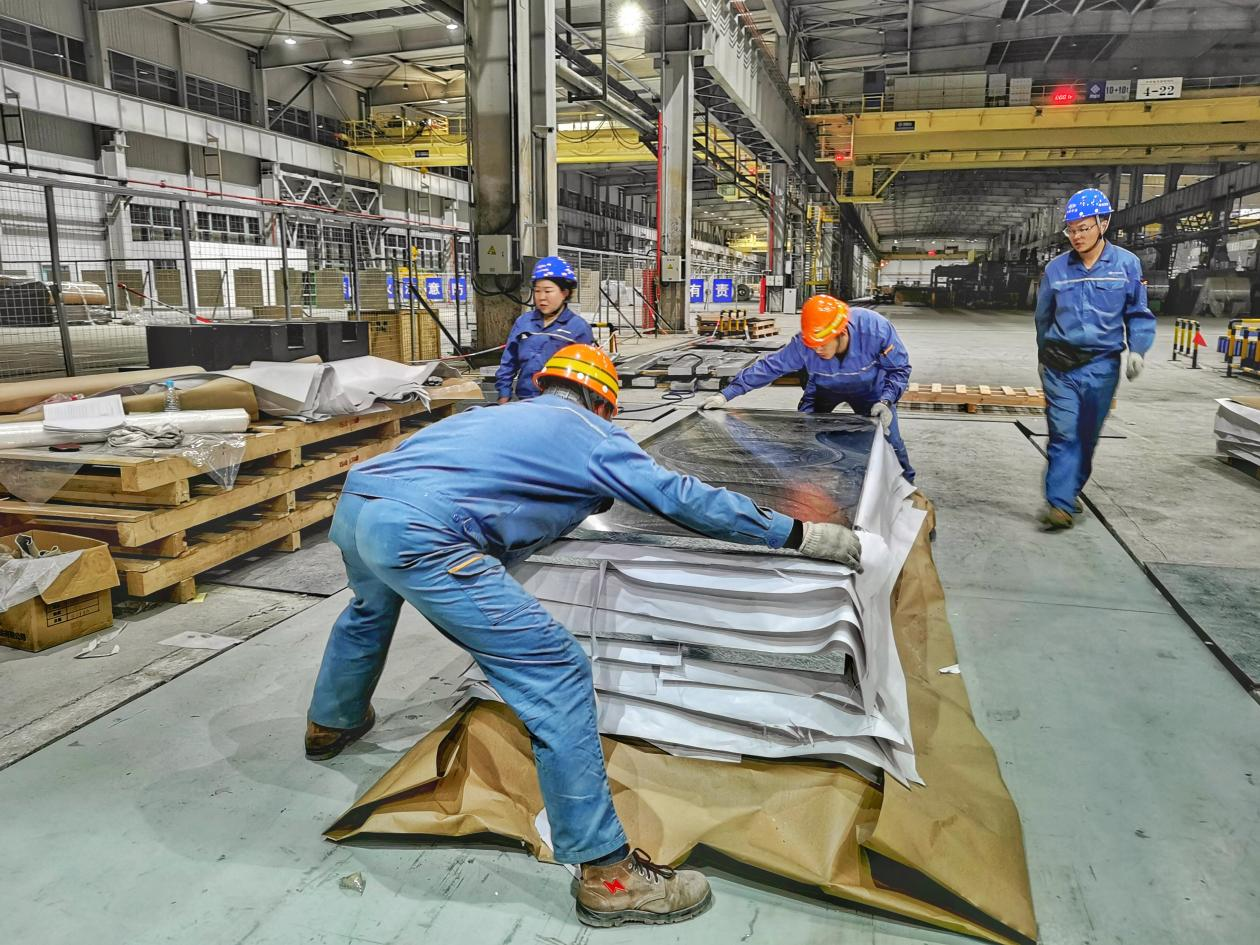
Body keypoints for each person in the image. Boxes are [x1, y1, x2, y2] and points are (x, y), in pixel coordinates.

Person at [304, 344, 864, 928]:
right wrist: (797, 534)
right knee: (556, 671)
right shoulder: (589, 433)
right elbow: (679, 498)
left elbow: (484, 484)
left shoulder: (495, 415)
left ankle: (331, 722)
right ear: (603, 402)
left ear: (546, 385)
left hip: (359, 506)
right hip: (422, 535)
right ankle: (608, 874)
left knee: (368, 610)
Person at [1034, 188, 1155, 530]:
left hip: (1102, 366)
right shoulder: (1056, 269)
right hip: (1060, 366)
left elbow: (1138, 313)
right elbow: (1043, 317)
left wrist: (1138, 351)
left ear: (1104, 224)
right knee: (1064, 434)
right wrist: (1044, 355)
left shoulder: (1126, 266)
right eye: (1071, 229)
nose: (1076, 236)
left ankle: (1070, 489)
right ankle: (1058, 503)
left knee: (1087, 436)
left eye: (1083, 228)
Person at [701, 295, 915, 482]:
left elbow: (899, 369)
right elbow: (769, 368)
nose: (817, 349)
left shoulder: (875, 330)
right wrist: (726, 394)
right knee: (803, 439)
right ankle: (810, 484)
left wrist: (886, 401)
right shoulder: (804, 345)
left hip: (870, 391)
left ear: (841, 332)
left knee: (890, 441)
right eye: (813, 344)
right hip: (823, 388)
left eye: (823, 343)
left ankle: (907, 488)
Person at [495, 255, 595, 403]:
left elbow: (587, 374)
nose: (541, 297)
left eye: (548, 291)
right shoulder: (523, 323)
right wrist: (504, 394)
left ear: (565, 293)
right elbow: (508, 363)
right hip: (526, 401)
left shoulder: (578, 328)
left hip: (562, 405)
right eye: (537, 291)